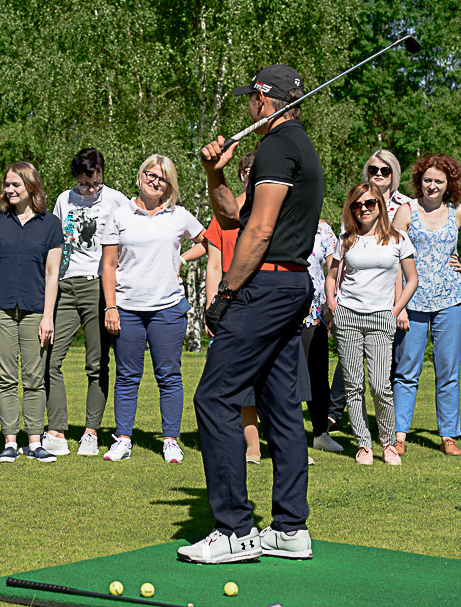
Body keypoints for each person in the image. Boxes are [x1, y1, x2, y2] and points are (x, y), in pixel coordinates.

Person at [185, 64, 323, 563]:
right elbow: (232, 217)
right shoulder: (297, 146)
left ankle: (235, 530)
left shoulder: (277, 146)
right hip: (289, 287)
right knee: (279, 403)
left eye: (251, 98)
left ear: (265, 100)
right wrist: (214, 172)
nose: (248, 106)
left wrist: (224, 295)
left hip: (266, 286)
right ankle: (289, 528)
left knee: (215, 397)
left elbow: (258, 234)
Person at [101, 155, 204, 464]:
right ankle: (123, 439)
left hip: (168, 309)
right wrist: (110, 306)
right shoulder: (119, 215)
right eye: (150, 174)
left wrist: (182, 260)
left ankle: (170, 440)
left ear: (169, 185)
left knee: (169, 376)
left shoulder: (180, 215)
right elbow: (107, 265)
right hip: (127, 308)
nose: (155, 181)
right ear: (140, 175)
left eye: (162, 178)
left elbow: (209, 242)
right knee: (127, 377)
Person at [390, 154, 461, 457]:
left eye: (439, 181)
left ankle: (448, 435)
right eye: (427, 180)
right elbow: (394, 261)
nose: (432, 186)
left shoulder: (457, 212)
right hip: (414, 301)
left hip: (451, 300)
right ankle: (399, 436)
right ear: (419, 181)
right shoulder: (406, 212)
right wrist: (399, 305)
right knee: (407, 370)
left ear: (450, 184)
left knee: (448, 370)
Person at [0, 162, 63, 463]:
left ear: (31, 187)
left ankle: (35, 442)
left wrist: (48, 315)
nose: (9, 190)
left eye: (16, 185)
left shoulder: (50, 224)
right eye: (7, 184)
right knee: (5, 377)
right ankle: (10, 441)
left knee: (34, 377)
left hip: (36, 308)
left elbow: (53, 274)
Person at [326, 185, 418, 466]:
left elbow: (411, 279)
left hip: (381, 318)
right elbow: (332, 276)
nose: (364, 208)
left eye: (370, 203)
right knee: (353, 385)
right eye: (357, 204)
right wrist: (333, 305)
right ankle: (364, 444)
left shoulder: (398, 238)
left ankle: (388, 443)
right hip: (348, 317)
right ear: (351, 209)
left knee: (380, 385)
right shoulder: (346, 239)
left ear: (380, 204)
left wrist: (394, 310)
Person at [47, 149, 130, 456]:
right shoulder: (63, 200)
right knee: (50, 358)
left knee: (96, 363)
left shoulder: (118, 200)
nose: (90, 190)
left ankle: (91, 432)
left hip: (97, 287)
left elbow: (129, 240)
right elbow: (54, 243)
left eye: (94, 184)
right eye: (84, 185)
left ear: (101, 173)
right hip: (65, 285)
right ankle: (56, 430)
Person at [201, 152, 264, 463]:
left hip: (265, 300)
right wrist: (214, 308)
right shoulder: (222, 216)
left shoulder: (270, 212)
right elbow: (213, 266)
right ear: (241, 175)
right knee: (235, 377)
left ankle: (281, 441)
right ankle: (251, 442)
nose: (253, 175)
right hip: (230, 303)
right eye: (249, 170)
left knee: (272, 374)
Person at [305, 220, 341, 455]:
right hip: (282, 310)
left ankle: (320, 434)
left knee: (317, 375)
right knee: (285, 375)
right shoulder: (277, 218)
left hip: (315, 312)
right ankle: (287, 434)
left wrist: (331, 303)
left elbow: (334, 269)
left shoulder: (323, 229)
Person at [364, 149, 409, 219]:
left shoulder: (408, 205)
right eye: (373, 169)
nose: (378, 173)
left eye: (385, 171)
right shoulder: (357, 202)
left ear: (394, 173)